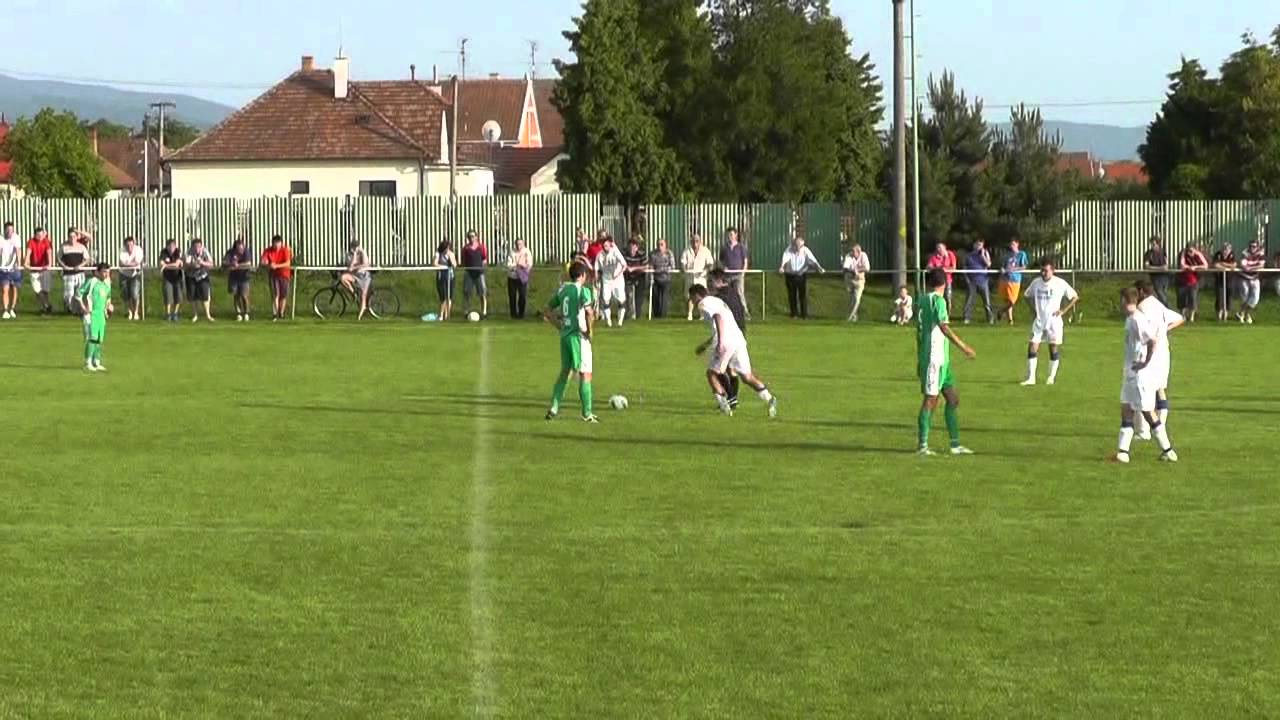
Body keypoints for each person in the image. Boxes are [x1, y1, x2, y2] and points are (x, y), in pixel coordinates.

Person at [690, 283, 777, 418]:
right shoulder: (717, 300)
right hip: (738, 340)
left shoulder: (703, 304)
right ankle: (770, 398)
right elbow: (722, 322)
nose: (692, 302)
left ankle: (725, 404)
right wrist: (706, 344)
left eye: (692, 298)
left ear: (696, 295)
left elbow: (718, 317)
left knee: (712, 373)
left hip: (727, 342)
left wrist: (721, 342)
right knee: (747, 377)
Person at [915, 268, 977, 456]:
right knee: (930, 400)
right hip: (934, 358)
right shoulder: (938, 301)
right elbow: (943, 327)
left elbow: (919, 331)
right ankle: (923, 446)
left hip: (941, 360)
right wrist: (964, 346)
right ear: (945, 283)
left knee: (952, 398)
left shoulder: (921, 300)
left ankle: (955, 444)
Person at [1114, 287, 1178, 463]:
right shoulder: (1130, 320)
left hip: (1140, 376)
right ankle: (1122, 452)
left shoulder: (1137, 320)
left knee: (1148, 412)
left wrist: (1145, 362)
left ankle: (1168, 450)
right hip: (1130, 374)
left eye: (1121, 300)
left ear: (1126, 301)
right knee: (1126, 409)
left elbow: (1152, 340)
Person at [543, 261, 598, 423]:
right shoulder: (583, 290)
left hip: (565, 336)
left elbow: (546, 310)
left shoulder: (563, 289)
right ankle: (587, 414)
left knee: (565, 372)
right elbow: (589, 313)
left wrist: (559, 325)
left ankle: (554, 407)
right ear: (582, 275)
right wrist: (590, 331)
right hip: (578, 338)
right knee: (585, 373)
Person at [1133, 279, 1184, 442]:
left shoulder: (1142, 309)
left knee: (1142, 390)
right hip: (1164, 351)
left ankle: (1143, 431)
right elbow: (1180, 318)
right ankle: (1160, 424)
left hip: (1150, 352)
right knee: (1160, 389)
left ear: (1141, 291)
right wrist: (1165, 330)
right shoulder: (1159, 305)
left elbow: (1143, 331)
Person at [1021, 260, 1080, 386]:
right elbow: (1026, 295)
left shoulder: (1060, 283)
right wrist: (1033, 310)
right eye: (1041, 270)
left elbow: (1074, 297)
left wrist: (1063, 310)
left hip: (1054, 322)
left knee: (1053, 348)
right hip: (1039, 321)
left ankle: (1051, 377)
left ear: (1052, 271)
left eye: (1046, 270)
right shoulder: (1036, 283)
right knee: (1032, 346)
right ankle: (1031, 378)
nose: (1043, 273)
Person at [710, 268, 747, 409]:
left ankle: (731, 399)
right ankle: (733, 400)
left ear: (719, 281)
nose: (710, 284)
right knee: (731, 369)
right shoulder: (734, 292)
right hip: (740, 332)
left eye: (711, 281)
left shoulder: (720, 298)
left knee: (717, 369)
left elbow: (722, 318)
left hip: (730, 335)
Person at [778, 236, 824, 319]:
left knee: (802, 295)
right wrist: (782, 266)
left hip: (801, 275)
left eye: (800, 246)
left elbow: (813, 260)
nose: (798, 248)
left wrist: (819, 267)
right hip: (790, 275)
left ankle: (804, 315)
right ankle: (794, 314)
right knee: (792, 295)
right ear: (794, 245)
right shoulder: (789, 249)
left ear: (803, 245)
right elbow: (785, 258)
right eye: (796, 245)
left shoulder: (806, 250)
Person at [78, 262, 113, 372]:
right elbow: (78, 293)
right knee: (92, 338)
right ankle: (88, 362)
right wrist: (83, 308)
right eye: (103, 272)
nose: (106, 274)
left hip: (101, 316)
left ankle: (96, 362)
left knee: (99, 339)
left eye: (107, 272)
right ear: (97, 272)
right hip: (91, 315)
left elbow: (108, 298)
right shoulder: (92, 282)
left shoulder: (107, 284)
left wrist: (109, 307)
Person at [595, 235, 629, 327]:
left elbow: (624, 265)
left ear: (610, 245)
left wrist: (618, 274)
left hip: (618, 280)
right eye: (603, 245)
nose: (605, 247)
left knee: (621, 300)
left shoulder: (616, 252)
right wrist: (596, 278)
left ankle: (620, 322)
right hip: (606, 279)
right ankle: (608, 321)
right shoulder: (600, 255)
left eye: (606, 245)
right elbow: (596, 268)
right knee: (606, 300)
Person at [680, 234, 715, 321]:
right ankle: (690, 314)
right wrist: (684, 269)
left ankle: (702, 315)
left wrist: (706, 269)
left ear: (700, 242)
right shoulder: (687, 251)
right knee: (690, 296)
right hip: (690, 277)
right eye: (693, 241)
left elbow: (710, 263)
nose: (695, 243)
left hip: (701, 277)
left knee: (702, 297)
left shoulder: (705, 250)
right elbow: (683, 262)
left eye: (697, 241)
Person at [719, 227, 751, 320]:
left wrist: (743, 272)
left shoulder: (741, 247)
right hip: (728, 275)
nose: (730, 237)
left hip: (738, 275)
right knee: (727, 294)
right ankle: (727, 313)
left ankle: (745, 313)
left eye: (732, 234)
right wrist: (723, 268)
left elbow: (745, 261)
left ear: (736, 235)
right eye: (728, 235)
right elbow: (721, 261)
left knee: (740, 293)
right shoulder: (724, 248)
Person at [59, 228, 92, 314]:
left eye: (74, 236)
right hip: (68, 274)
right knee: (69, 294)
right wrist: (63, 266)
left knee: (79, 293)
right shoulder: (64, 247)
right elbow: (58, 258)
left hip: (79, 273)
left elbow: (87, 259)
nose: (72, 238)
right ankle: (69, 308)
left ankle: (78, 310)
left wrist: (80, 266)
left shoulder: (81, 247)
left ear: (77, 237)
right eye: (70, 236)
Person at [961, 238, 993, 324]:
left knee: (987, 302)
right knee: (969, 301)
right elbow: (965, 268)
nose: (979, 247)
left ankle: (990, 318)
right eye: (977, 244)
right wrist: (967, 279)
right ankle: (966, 318)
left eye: (980, 245)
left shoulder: (985, 254)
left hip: (983, 281)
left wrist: (983, 256)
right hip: (972, 281)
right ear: (974, 245)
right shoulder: (969, 256)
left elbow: (989, 264)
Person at [23, 227, 54, 315]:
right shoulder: (31, 242)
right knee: (37, 290)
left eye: (41, 235)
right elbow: (28, 253)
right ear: (35, 235)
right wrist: (26, 263)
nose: (40, 237)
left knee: (45, 290)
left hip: (44, 269)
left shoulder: (46, 241)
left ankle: (45, 308)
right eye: (38, 235)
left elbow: (49, 252)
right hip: (34, 269)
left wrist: (49, 264)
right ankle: (47, 306)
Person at [340, 238, 373, 320]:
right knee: (343, 278)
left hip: (364, 276)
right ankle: (353, 293)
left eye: (356, 247)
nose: (354, 249)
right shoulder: (350, 255)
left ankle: (360, 314)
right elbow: (350, 268)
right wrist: (354, 257)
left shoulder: (362, 252)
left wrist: (355, 267)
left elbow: (366, 264)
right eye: (353, 247)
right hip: (355, 275)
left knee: (363, 295)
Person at [997, 238, 1028, 324]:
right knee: (1007, 300)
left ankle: (1001, 311)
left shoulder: (1021, 254)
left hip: (1015, 280)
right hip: (1005, 279)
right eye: (1011, 245)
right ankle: (1010, 320)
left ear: (1017, 244)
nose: (1012, 246)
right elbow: (1003, 266)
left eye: (1013, 244)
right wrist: (1003, 269)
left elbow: (1024, 266)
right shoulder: (1007, 255)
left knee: (1012, 301)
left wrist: (1013, 269)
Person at [223, 237, 255, 322]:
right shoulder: (230, 252)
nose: (240, 250)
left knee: (244, 295)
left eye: (241, 248)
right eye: (238, 248)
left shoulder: (246, 251)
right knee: (236, 295)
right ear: (235, 247)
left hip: (244, 277)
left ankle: (246, 313)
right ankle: (238, 313)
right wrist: (231, 263)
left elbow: (248, 263)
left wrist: (238, 266)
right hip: (234, 277)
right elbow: (224, 262)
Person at [262, 234, 293, 321]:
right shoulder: (268, 250)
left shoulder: (285, 250)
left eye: (278, 243)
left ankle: (281, 313)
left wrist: (277, 266)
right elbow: (263, 260)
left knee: (283, 295)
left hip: (284, 274)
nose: (276, 245)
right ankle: (274, 313)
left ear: (281, 243)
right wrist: (266, 262)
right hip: (273, 275)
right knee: (275, 294)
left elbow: (288, 263)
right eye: (274, 243)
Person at [1176, 242, 1208, 323]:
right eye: (1188, 250)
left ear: (1194, 249)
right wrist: (1189, 267)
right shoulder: (1183, 253)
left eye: (1191, 250)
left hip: (1194, 280)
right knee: (1181, 298)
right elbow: (1182, 265)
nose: (1190, 252)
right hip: (1182, 279)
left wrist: (1195, 267)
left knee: (1192, 298)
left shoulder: (1198, 254)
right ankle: (1182, 316)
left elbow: (1205, 265)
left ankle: (1191, 317)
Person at [184, 238, 215, 322]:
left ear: (201, 246)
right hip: (191, 276)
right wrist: (193, 265)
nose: (197, 249)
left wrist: (202, 263)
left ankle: (208, 315)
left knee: (205, 296)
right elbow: (186, 264)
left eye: (199, 247)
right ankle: (195, 315)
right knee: (193, 296)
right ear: (192, 247)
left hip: (203, 276)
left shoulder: (205, 252)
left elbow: (211, 264)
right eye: (195, 247)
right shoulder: (188, 252)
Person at [461, 231, 488, 319]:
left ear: (476, 237)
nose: (471, 238)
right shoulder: (466, 248)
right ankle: (466, 311)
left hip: (479, 273)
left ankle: (484, 312)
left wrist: (483, 268)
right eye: (469, 237)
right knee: (467, 293)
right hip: (469, 273)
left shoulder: (481, 247)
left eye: (473, 236)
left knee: (482, 292)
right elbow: (463, 261)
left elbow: (484, 259)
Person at [841, 241, 871, 322]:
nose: (853, 252)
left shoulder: (863, 255)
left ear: (859, 251)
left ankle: (849, 318)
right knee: (852, 299)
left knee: (857, 299)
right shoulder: (849, 256)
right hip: (849, 279)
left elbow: (867, 268)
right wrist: (853, 271)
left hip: (860, 280)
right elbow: (845, 267)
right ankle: (854, 317)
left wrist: (857, 270)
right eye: (852, 251)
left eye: (854, 251)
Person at [504, 238, 532, 320]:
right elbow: (509, 265)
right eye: (517, 244)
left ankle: (521, 314)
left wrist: (522, 267)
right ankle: (513, 314)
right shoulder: (512, 252)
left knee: (522, 296)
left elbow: (529, 264)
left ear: (523, 244)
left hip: (522, 277)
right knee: (512, 296)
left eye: (520, 244)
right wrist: (517, 266)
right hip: (512, 277)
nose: (518, 245)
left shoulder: (527, 252)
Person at [117, 236, 144, 321]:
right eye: (127, 245)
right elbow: (121, 263)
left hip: (135, 274)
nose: (129, 247)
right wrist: (131, 264)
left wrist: (128, 264)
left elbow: (137, 262)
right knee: (125, 294)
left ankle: (135, 312)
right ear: (125, 245)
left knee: (134, 294)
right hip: (123, 274)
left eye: (131, 245)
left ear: (134, 244)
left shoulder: (138, 250)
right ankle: (130, 311)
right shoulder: (122, 250)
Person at [1239, 239, 1265, 325]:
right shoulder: (1245, 253)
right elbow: (1243, 265)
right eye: (1250, 246)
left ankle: (1244, 313)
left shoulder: (1260, 254)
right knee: (1245, 297)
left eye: (1254, 246)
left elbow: (1261, 265)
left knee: (1255, 299)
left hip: (1255, 278)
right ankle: (1245, 315)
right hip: (1244, 278)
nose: (1252, 248)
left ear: (1257, 247)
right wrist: (1254, 267)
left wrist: (1250, 268)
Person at [925, 242, 958, 308]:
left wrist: (941, 267)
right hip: (938, 280)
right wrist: (940, 268)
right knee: (937, 297)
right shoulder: (934, 257)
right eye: (937, 247)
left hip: (947, 280)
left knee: (948, 298)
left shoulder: (950, 254)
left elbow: (953, 267)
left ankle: (947, 315)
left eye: (940, 247)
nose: (938, 249)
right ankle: (936, 313)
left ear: (944, 248)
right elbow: (928, 267)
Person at [1211, 240, 1237, 322]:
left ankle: (1225, 315)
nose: (1225, 251)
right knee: (1219, 296)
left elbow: (1234, 265)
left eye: (1227, 249)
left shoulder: (1232, 255)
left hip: (1229, 280)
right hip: (1219, 279)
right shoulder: (1218, 254)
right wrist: (1226, 266)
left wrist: (1223, 264)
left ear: (1230, 250)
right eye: (1224, 249)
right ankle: (1219, 315)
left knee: (1228, 296)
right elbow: (1216, 265)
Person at [158, 239, 184, 322]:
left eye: (172, 246)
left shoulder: (178, 252)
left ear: (175, 246)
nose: (171, 248)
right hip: (167, 278)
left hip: (177, 277)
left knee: (178, 296)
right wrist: (165, 265)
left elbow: (177, 265)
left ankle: (175, 313)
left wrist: (165, 266)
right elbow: (161, 263)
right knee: (168, 296)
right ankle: (168, 314)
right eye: (169, 246)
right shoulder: (163, 252)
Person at [623, 236, 648, 320]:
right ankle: (630, 315)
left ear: (637, 247)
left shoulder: (642, 254)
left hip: (639, 278)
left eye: (633, 247)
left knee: (638, 298)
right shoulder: (624, 254)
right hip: (628, 278)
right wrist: (627, 268)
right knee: (629, 296)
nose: (631, 249)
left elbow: (646, 266)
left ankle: (637, 314)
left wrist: (634, 268)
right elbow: (622, 265)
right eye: (630, 246)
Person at [649, 238, 675, 319]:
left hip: (666, 279)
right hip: (656, 279)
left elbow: (673, 266)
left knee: (664, 298)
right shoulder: (653, 254)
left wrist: (662, 270)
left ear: (665, 245)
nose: (660, 246)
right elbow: (650, 265)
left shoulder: (669, 253)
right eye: (658, 244)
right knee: (655, 297)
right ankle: (656, 315)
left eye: (661, 244)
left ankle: (662, 316)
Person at [0, 221, 21, 319]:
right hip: (3, 268)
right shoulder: (1, 239)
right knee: (5, 289)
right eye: (8, 230)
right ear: (4, 230)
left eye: (11, 230)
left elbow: (18, 251)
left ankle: (12, 309)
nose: (9, 232)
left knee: (14, 289)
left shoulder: (16, 238)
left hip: (14, 268)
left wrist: (19, 264)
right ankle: (5, 310)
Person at [1144, 236, 1171, 306]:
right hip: (1155, 277)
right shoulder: (1148, 253)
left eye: (1154, 244)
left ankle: (1161, 309)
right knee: (1160, 294)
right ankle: (1167, 307)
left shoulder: (1163, 251)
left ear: (1158, 244)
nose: (1152, 246)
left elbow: (1166, 264)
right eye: (1151, 244)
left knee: (1164, 293)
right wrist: (1159, 268)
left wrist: (1164, 268)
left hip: (1164, 276)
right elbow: (1147, 266)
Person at [436, 239, 457, 321]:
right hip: (441, 276)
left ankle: (447, 315)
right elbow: (434, 263)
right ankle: (441, 315)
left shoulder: (451, 254)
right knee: (443, 297)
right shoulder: (438, 254)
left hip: (450, 276)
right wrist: (443, 266)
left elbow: (455, 265)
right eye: (446, 248)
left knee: (449, 297)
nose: (447, 250)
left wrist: (451, 259)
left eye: (448, 248)